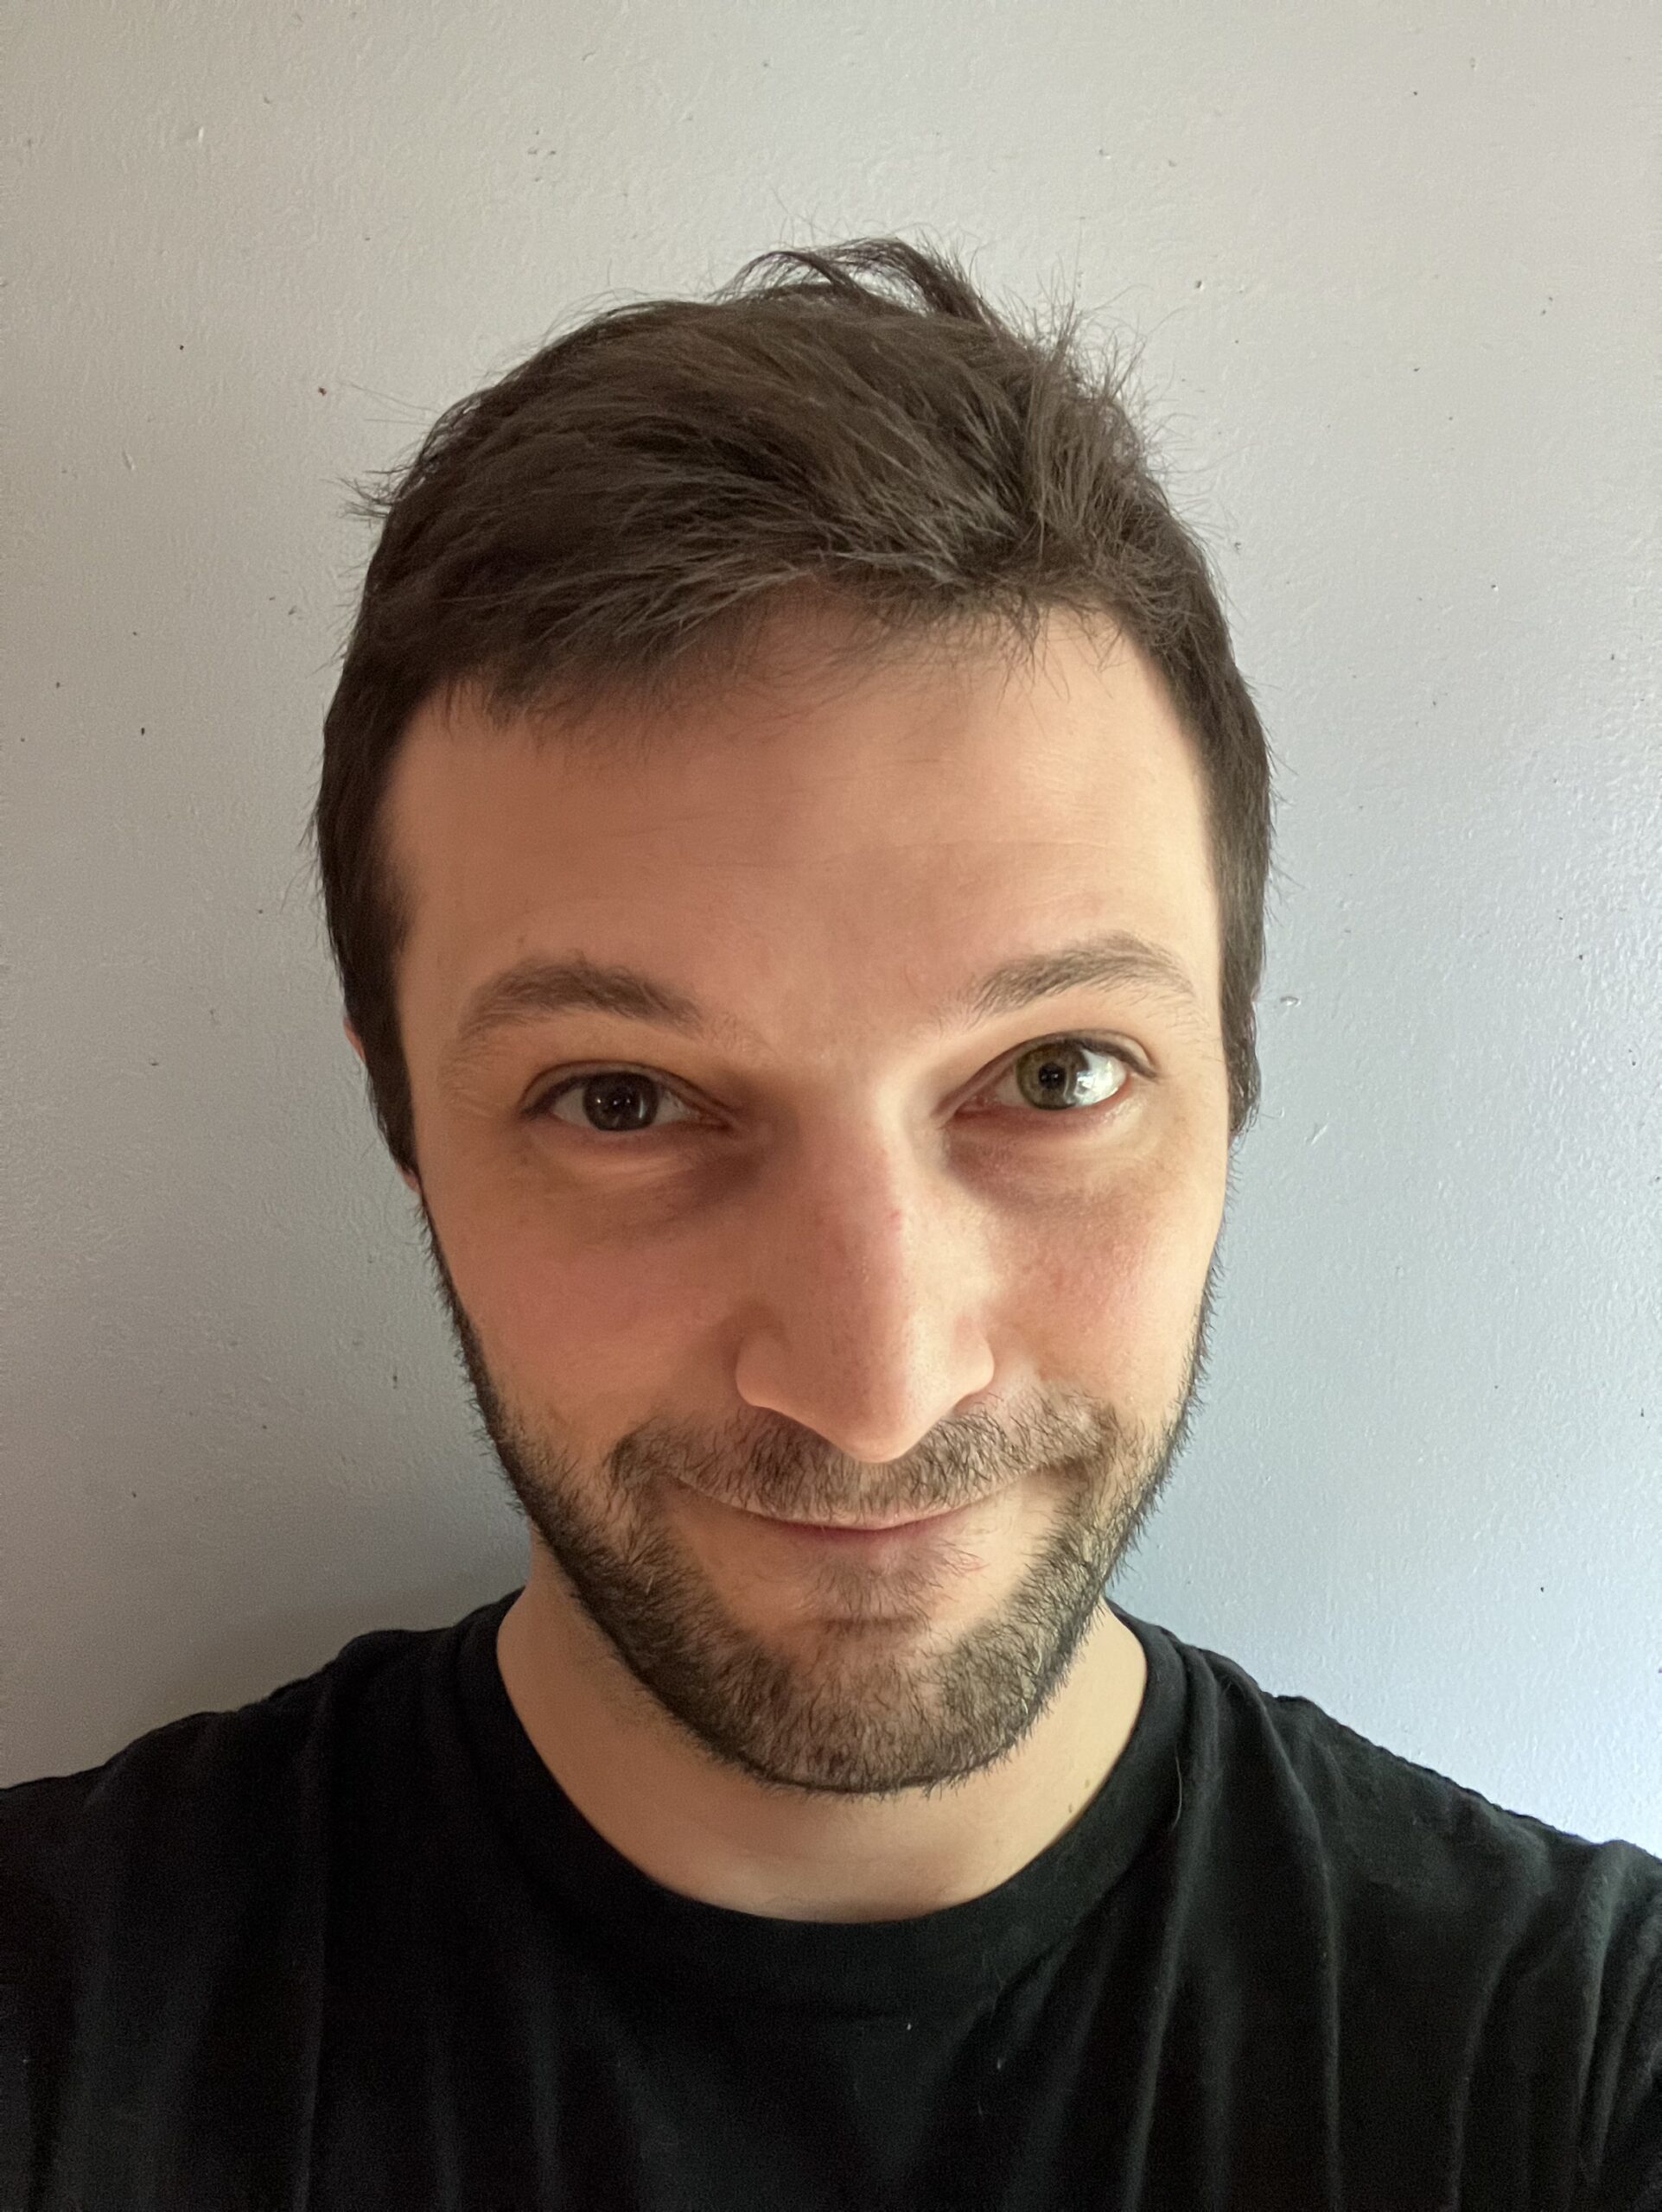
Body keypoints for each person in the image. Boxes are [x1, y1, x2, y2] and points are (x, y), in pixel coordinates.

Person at [3, 236, 1657, 2212]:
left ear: (1229, 1072)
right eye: (622, 1098)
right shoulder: (56, 2025)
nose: (875, 1386)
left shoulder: (1574, 2070)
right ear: (404, 1117)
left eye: (1051, 1071)